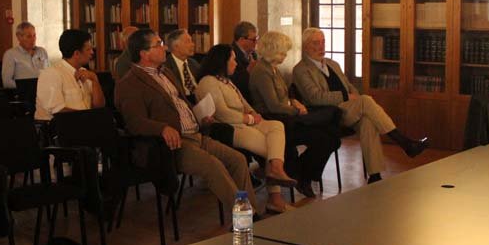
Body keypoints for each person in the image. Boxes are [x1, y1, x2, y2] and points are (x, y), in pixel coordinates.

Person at [115, 29, 257, 213]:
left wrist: (200, 116)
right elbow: (134, 122)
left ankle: (251, 210)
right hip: (174, 144)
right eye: (158, 44)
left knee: (237, 160)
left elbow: (181, 103)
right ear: (144, 54)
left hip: (196, 135)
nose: (164, 48)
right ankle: (245, 217)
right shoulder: (129, 83)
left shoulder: (165, 73)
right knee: (213, 166)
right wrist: (162, 128)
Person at [293, 27, 428, 184]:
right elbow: (315, 98)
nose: (321, 47)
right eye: (316, 43)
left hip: (348, 110)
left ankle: (375, 176)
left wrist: (353, 97)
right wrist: (347, 97)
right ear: (305, 46)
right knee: (365, 100)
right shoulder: (301, 70)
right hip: (327, 114)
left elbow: (349, 87)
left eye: (323, 42)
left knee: (367, 121)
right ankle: (404, 142)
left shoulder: (332, 64)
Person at [195, 45, 296, 214]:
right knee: (272, 150)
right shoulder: (208, 82)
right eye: (233, 59)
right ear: (222, 61)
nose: (236, 63)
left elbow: (244, 103)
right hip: (230, 127)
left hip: (246, 122)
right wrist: (249, 118)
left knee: (277, 125)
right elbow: (222, 113)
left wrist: (253, 113)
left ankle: (275, 170)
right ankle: (275, 194)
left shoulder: (226, 81)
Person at [250, 30, 340, 199]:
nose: (285, 55)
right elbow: (273, 106)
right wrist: (297, 110)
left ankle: (300, 173)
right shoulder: (262, 71)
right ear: (273, 50)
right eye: (283, 51)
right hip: (278, 121)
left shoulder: (273, 69)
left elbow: (285, 97)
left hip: (288, 116)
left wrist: (294, 102)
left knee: (333, 137)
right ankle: (303, 176)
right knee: (326, 136)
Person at [35, 29, 104, 120]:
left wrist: (94, 79)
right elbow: (58, 111)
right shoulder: (51, 74)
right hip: (59, 126)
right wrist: (88, 118)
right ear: (76, 54)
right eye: (88, 49)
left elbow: (99, 106)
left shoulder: (85, 72)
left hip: (83, 123)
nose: (92, 52)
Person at [1, 22, 49, 90]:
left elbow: (49, 73)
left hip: (44, 90)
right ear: (19, 37)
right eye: (29, 36)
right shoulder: (11, 54)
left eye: (34, 35)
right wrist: (27, 86)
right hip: (24, 93)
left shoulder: (42, 51)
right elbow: (7, 82)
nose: (33, 39)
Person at [163, 28, 200, 102]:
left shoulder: (194, 63)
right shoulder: (166, 67)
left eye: (192, 41)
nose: (193, 45)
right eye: (188, 42)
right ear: (176, 46)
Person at [230, 21, 258, 103]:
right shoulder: (230, 54)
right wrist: (248, 71)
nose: (256, 42)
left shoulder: (253, 54)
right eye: (253, 40)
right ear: (242, 39)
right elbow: (232, 84)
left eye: (257, 39)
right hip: (239, 99)